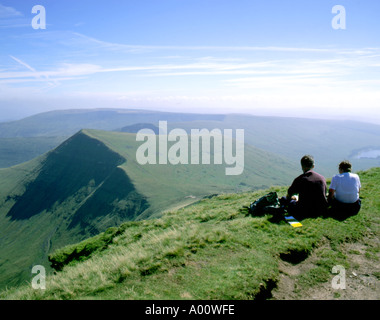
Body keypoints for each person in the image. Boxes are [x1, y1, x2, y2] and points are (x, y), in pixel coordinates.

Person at [282, 155, 328, 219]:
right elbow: (324, 194)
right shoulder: (322, 178)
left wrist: (295, 198)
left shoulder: (300, 179)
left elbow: (289, 195)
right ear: (313, 166)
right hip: (320, 209)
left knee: (284, 199)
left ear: (302, 166)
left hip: (304, 210)